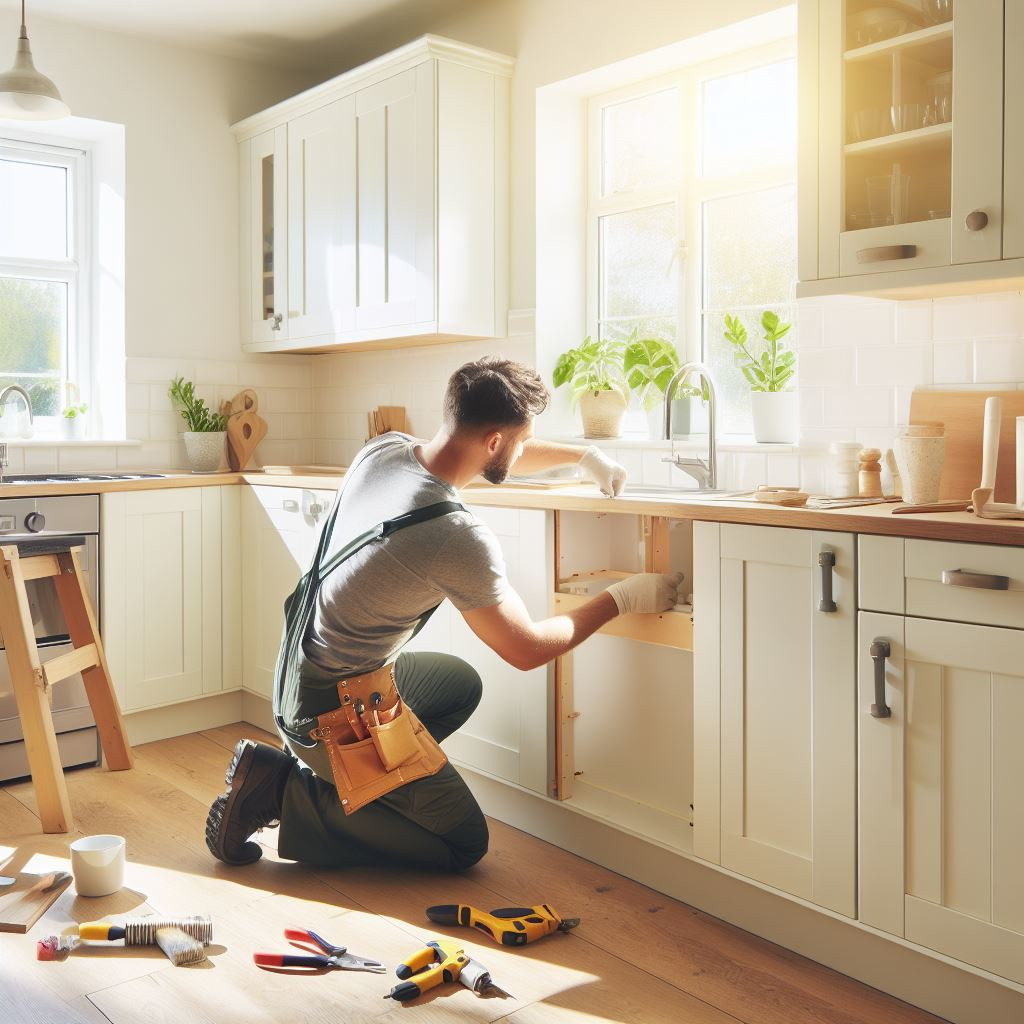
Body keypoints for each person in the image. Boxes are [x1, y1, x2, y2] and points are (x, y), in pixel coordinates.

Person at [205, 357, 683, 871]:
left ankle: (368, 777)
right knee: (463, 843)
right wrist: (624, 598)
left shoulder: (385, 451)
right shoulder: (454, 535)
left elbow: (496, 455)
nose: (522, 450)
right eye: (522, 440)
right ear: (496, 441)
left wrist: (585, 456)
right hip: (328, 713)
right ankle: (283, 790)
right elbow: (526, 648)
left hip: (296, 673)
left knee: (459, 685)